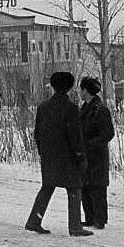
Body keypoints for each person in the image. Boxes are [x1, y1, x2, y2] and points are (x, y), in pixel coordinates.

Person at [25, 72, 92, 236]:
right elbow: (75, 136)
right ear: (69, 87)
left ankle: (34, 220)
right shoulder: (71, 109)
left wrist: (43, 151)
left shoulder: (43, 107)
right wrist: (80, 155)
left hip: (49, 156)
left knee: (47, 187)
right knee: (75, 189)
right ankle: (75, 226)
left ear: (53, 86)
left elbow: (37, 133)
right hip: (68, 157)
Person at [78, 76, 115, 230]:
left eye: (81, 89)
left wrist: (90, 144)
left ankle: (99, 219)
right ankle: (90, 217)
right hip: (87, 156)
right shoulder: (85, 108)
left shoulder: (100, 109)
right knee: (86, 187)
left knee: (97, 188)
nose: (80, 92)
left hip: (97, 156)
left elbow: (108, 134)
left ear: (86, 91)